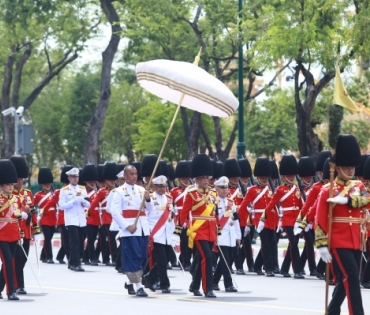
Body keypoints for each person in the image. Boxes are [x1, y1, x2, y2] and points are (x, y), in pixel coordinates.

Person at [316, 134, 369, 315]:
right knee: (352, 277)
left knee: (345, 278)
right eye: (346, 166)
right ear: (337, 167)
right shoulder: (327, 190)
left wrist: (346, 200)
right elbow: (320, 219)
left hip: (356, 239)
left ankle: (332, 311)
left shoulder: (359, 187)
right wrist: (322, 245)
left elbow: (367, 200)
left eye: (352, 166)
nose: (350, 169)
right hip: (338, 240)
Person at [179, 153, 217, 298]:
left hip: (211, 230)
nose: (206, 180)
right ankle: (208, 288)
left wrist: (218, 230)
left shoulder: (212, 194)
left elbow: (215, 214)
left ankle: (194, 285)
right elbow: (184, 212)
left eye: (207, 178)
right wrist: (178, 230)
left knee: (205, 258)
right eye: (203, 178)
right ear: (196, 179)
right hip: (198, 230)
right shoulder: (191, 194)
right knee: (207, 257)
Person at [111, 164, 150, 297]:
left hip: (143, 228)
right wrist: (127, 226)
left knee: (144, 257)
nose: (134, 176)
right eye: (131, 174)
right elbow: (115, 212)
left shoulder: (141, 189)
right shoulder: (119, 191)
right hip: (130, 230)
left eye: (136, 174)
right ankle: (139, 286)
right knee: (134, 257)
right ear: (125, 176)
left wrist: (148, 199)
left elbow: (149, 210)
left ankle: (129, 281)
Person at [263, 155, 304, 279]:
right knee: (294, 243)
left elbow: (301, 205)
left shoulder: (297, 189)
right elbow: (270, 205)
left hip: (296, 220)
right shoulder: (280, 190)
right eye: (289, 175)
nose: (291, 177)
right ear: (284, 176)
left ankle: (285, 269)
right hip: (287, 220)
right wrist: (262, 219)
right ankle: (297, 270)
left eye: (292, 175)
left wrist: (305, 220)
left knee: (293, 243)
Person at [10, 155, 41, 295]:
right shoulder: (9, 195)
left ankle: (15, 283)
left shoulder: (28, 193)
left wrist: (36, 228)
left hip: (27, 231)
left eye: (22, 179)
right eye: (17, 179)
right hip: (15, 231)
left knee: (24, 258)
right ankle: (19, 285)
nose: (20, 182)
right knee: (17, 259)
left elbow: (33, 211)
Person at [241, 157, 276, 276]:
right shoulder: (252, 190)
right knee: (265, 244)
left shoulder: (271, 189)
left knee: (270, 243)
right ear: (258, 177)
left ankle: (257, 266)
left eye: (266, 177)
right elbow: (244, 206)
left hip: (271, 219)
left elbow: (274, 206)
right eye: (262, 177)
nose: (264, 179)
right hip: (260, 220)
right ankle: (269, 268)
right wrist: (245, 220)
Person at [144, 175, 175, 293]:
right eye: (159, 186)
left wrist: (173, 234)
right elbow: (149, 210)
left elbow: (171, 216)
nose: (162, 189)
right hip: (156, 233)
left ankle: (149, 277)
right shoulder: (150, 198)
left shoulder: (169, 198)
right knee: (162, 259)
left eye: (164, 186)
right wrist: (147, 199)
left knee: (166, 258)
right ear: (154, 186)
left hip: (167, 233)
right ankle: (164, 284)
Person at [59, 167, 90, 272]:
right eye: (73, 177)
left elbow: (88, 204)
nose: (75, 179)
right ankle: (77, 263)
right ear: (69, 178)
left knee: (81, 241)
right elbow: (61, 206)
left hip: (81, 219)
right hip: (71, 219)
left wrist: (83, 201)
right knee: (75, 241)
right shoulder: (64, 190)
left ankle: (71, 262)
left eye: (76, 176)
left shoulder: (82, 188)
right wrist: (73, 200)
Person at [0, 159, 23, 300]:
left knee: (8, 263)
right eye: (7, 184)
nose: (10, 186)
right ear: (1, 185)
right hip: (1, 234)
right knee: (8, 261)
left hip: (13, 233)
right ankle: (11, 292)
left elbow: (17, 215)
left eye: (11, 184)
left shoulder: (16, 199)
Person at [212, 176, 240, 292]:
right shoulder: (213, 202)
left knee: (225, 259)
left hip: (231, 235)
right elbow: (213, 219)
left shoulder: (231, 202)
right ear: (216, 188)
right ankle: (228, 284)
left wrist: (238, 236)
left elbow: (236, 219)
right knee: (225, 260)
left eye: (226, 187)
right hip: (220, 234)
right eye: (221, 187)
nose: (224, 190)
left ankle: (214, 282)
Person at [44, 165, 73, 264]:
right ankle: (70, 259)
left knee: (70, 240)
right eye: (66, 182)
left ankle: (60, 256)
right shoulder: (59, 192)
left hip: (73, 218)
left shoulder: (76, 191)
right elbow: (50, 203)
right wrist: (42, 211)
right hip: (63, 218)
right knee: (66, 240)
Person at [296, 157, 317, 276]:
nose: (308, 179)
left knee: (309, 243)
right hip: (302, 220)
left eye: (310, 177)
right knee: (309, 242)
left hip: (312, 220)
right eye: (306, 177)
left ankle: (299, 265)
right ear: (301, 177)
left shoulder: (314, 188)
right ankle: (313, 268)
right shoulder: (297, 190)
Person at [170, 160, 192, 271]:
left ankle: (188, 260)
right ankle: (185, 262)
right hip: (180, 220)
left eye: (187, 178)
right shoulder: (174, 191)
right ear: (179, 179)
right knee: (183, 242)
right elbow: (170, 206)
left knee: (191, 242)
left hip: (192, 220)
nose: (186, 180)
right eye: (183, 179)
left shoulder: (192, 191)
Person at [34, 167, 56, 263]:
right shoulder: (38, 195)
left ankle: (43, 255)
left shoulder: (54, 194)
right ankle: (49, 257)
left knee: (49, 238)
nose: (47, 185)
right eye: (45, 183)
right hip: (44, 218)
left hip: (53, 219)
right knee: (47, 238)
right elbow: (32, 205)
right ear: (42, 184)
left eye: (48, 183)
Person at [81, 164, 99, 265]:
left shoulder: (97, 192)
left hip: (96, 218)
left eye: (93, 181)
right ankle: (93, 258)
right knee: (91, 238)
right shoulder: (82, 192)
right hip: (87, 218)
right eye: (90, 181)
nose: (92, 183)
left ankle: (85, 257)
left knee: (93, 238)